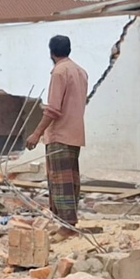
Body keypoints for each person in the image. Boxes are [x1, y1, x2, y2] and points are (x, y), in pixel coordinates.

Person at [26, 35, 89, 233]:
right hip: (75, 133)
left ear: (51, 52)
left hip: (60, 134)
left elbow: (53, 109)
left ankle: (66, 226)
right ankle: (68, 223)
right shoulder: (80, 71)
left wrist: (36, 134)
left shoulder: (59, 72)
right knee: (71, 180)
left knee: (60, 182)